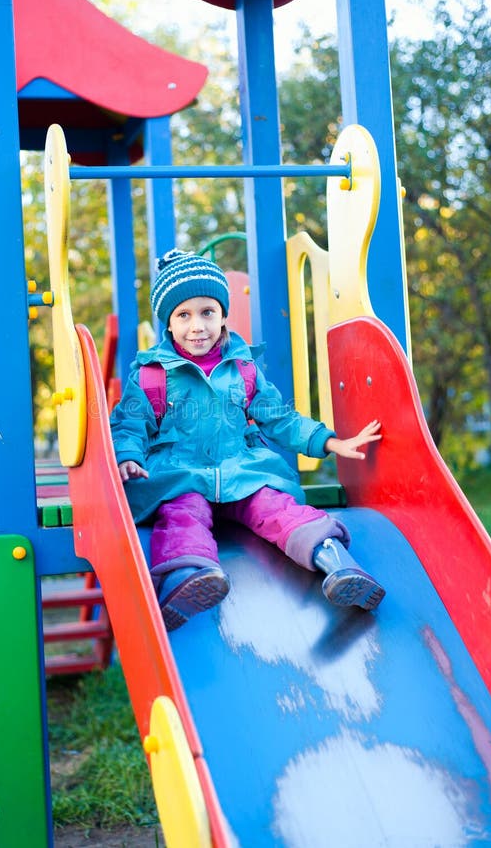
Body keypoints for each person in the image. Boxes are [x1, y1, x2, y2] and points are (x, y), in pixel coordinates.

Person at [110, 250, 385, 631]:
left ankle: (336, 563)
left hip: (241, 472)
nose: (197, 326)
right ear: (168, 324)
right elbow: (128, 424)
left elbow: (279, 417)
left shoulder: (243, 368)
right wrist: (127, 456)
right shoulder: (151, 375)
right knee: (181, 514)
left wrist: (327, 441)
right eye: (183, 315)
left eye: (207, 312)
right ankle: (186, 579)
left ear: (223, 315)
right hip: (181, 476)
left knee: (275, 506)